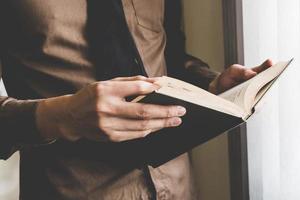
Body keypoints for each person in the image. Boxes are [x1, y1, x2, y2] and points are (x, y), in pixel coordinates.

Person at [0, 0, 272, 199]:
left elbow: (167, 57)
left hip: (178, 186)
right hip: (70, 188)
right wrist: (62, 115)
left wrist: (211, 84)